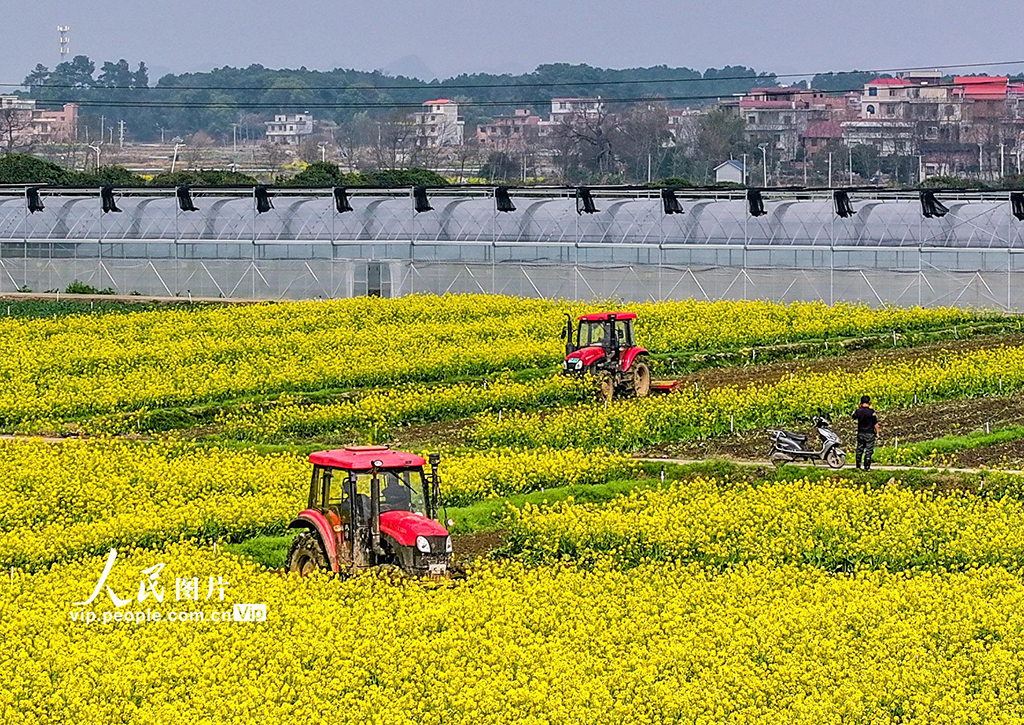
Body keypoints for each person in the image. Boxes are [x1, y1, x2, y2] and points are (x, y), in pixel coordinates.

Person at [851, 395, 880, 471]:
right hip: (869, 433)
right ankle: (867, 467)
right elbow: (875, 424)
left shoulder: (858, 411)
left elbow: (853, 417)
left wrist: (859, 408)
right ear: (869, 402)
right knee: (868, 450)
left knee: (859, 449)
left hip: (860, 433)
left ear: (861, 402)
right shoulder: (871, 412)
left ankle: (858, 466)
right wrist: (877, 433)